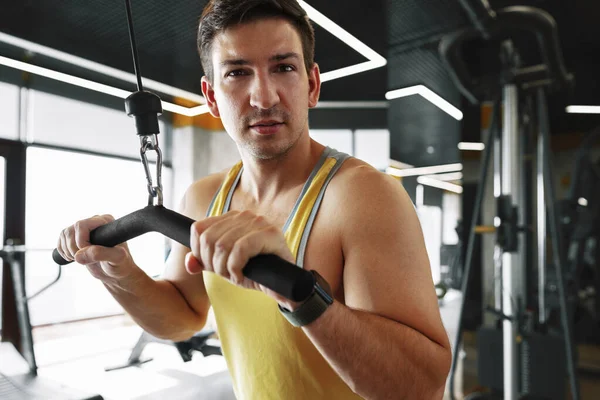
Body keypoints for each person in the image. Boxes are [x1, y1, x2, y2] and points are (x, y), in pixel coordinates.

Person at [56, 0, 451, 398]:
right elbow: (182, 317)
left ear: (311, 84)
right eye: (238, 73)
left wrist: (297, 294)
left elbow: (418, 388)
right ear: (211, 96)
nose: (263, 97)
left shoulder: (362, 196)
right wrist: (120, 273)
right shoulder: (204, 197)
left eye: (283, 67)